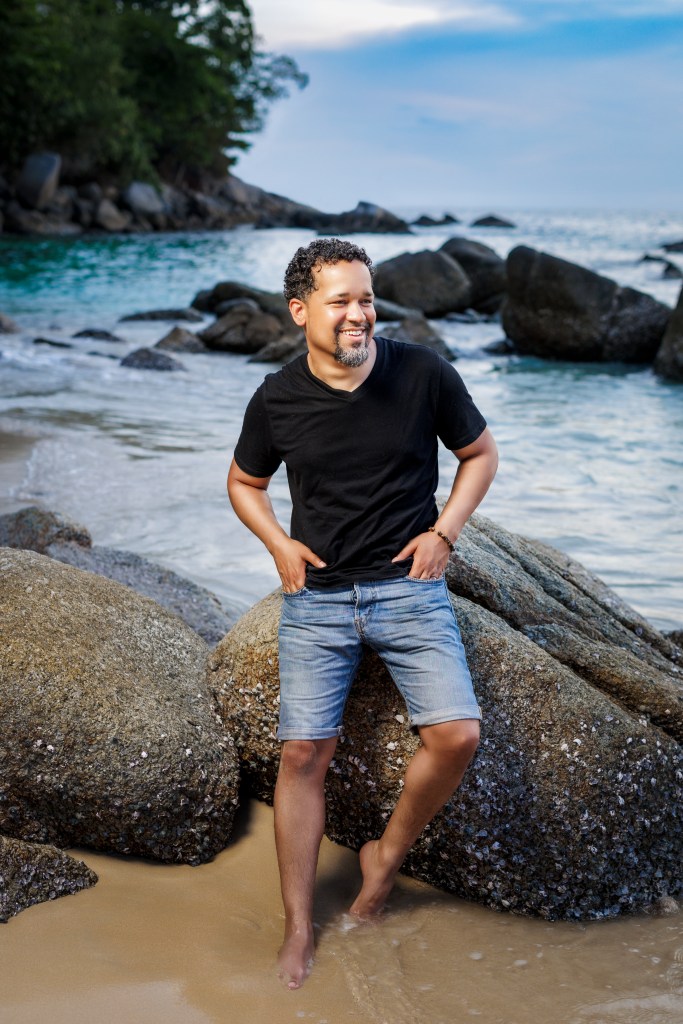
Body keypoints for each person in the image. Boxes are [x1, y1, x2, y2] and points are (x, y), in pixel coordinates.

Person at [227, 238, 498, 990]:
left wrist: (443, 532)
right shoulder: (276, 396)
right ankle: (295, 929)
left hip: (407, 587)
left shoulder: (422, 374)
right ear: (300, 310)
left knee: (457, 734)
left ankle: (383, 857)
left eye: (366, 298)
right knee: (301, 755)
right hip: (314, 600)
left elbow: (480, 454)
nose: (358, 314)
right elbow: (244, 481)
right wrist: (278, 543)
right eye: (341, 300)